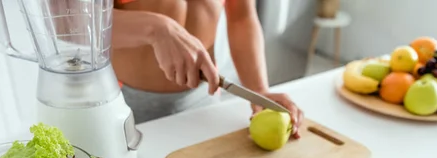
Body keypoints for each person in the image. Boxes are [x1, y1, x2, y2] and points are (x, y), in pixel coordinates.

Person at [111, 0, 304, 138]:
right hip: (127, 106)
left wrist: (259, 90)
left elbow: (242, 18)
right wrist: (157, 28)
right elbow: (83, 26)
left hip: (205, 101)